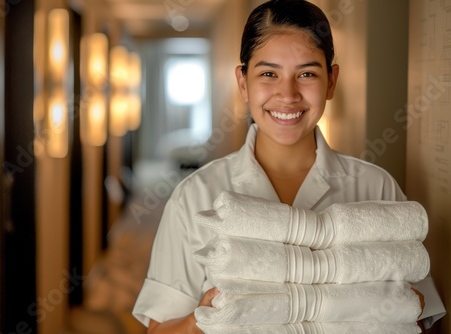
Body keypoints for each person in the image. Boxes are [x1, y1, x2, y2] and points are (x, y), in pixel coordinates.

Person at [133, 0, 443, 333]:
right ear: (242, 82)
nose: (288, 94)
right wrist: (205, 316)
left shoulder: (375, 187)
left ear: (332, 81)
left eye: (307, 73)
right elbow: (158, 329)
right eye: (269, 73)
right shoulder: (196, 197)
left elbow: (418, 313)